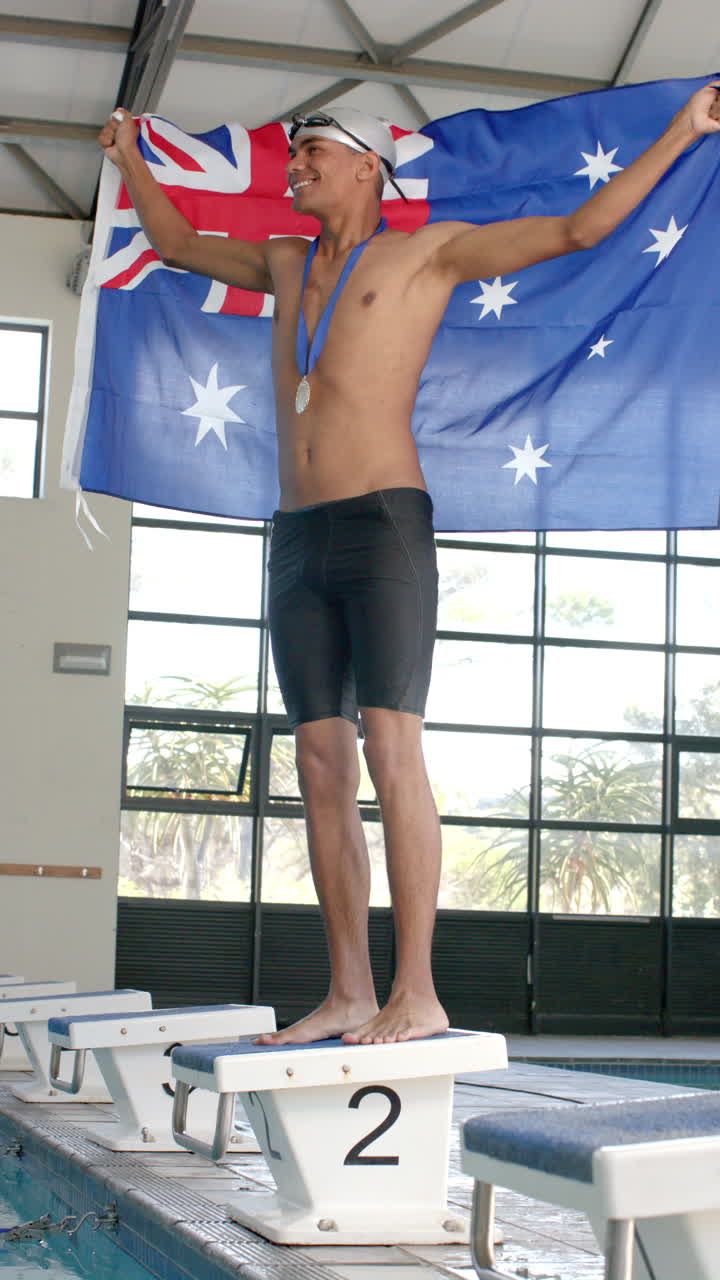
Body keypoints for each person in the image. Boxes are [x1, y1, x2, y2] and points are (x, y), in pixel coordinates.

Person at [100, 84, 720, 1046]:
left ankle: (418, 989)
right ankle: (348, 989)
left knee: (391, 748)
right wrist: (131, 161)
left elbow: (580, 231)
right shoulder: (284, 261)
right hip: (297, 534)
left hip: (385, 525)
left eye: (312, 152)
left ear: (366, 165)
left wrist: (684, 131)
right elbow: (178, 247)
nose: (295, 165)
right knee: (315, 760)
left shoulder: (425, 255)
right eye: (293, 153)